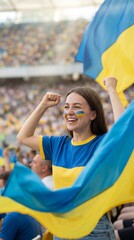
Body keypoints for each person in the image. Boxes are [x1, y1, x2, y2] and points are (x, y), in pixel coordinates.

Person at [17, 77, 124, 240]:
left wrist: (111, 90)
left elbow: (125, 130)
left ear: (93, 115)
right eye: (66, 107)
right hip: (63, 229)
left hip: (94, 230)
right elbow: (23, 137)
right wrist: (43, 105)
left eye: (77, 107)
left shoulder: (101, 144)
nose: (69, 112)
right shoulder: (57, 144)